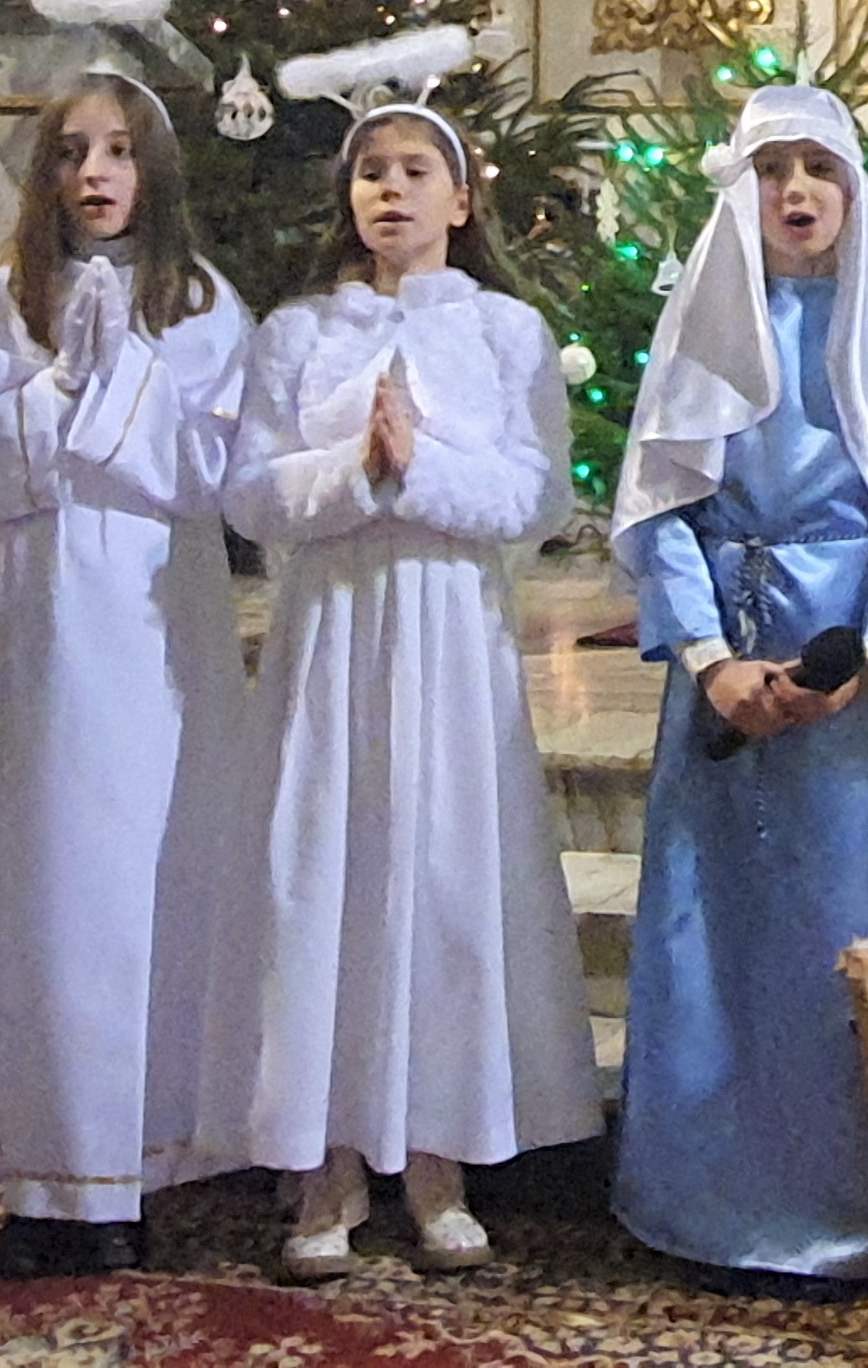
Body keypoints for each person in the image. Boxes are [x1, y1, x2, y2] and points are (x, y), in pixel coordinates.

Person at [0, 75, 254, 1276]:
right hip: (27, 621)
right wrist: (52, 395)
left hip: (153, 621)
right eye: (72, 152)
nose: (94, 174)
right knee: (29, 883)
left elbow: (221, 471)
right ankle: (39, 1180)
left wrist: (123, 389)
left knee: (142, 880)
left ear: (153, 168)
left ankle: (138, 1164)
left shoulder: (202, 302)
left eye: (118, 151)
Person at [610, 86, 868, 1289]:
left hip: (859, 695)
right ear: (743, 193)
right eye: (772, 171)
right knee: (716, 935)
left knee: (852, 932)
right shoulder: (704, 330)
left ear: (851, 189)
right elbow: (661, 509)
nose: (796, 193)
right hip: (728, 662)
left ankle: (865, 1204)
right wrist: (712, 662)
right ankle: (712, 1201)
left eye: (818, 169)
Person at [221, 89, 598, 1281]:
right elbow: (250, 492)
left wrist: (417, 465)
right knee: (324, 873)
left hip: (449, 631)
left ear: (462, 201)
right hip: (332, 631)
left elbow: (534, 496)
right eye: (371, 171)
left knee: (443, 874)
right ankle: (324, 1164)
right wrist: (354, 469)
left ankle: (441, 1162)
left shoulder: (505, 333)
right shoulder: (297, 334)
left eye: (415, 170)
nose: (390, 188)